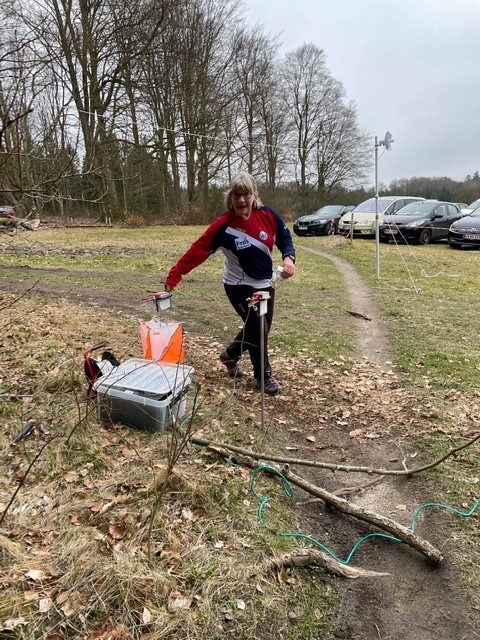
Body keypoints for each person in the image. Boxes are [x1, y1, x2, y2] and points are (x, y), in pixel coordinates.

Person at [164, 172, 296, 395]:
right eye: (237, 195)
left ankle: (230, 355)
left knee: (258, 329)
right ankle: (263, 377)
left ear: (254, 195)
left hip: (265, 283)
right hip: (238, 286)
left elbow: (285, 239)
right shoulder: (223, 226)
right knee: (258, 329)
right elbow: (197, 251)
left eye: (246, 194)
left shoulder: (267, 214)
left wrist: (288, 258)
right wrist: (174, 275)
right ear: (230, 196)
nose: (241, 200)